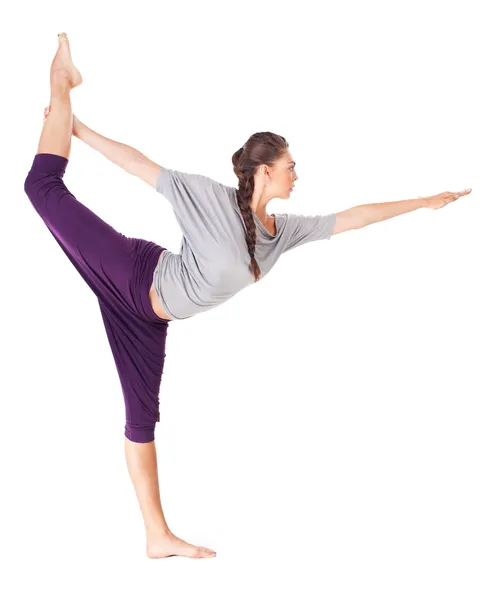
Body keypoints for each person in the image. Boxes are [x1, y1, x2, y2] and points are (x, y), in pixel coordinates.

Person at [25, 33, 472, 560]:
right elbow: (136, 163)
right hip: (132, 275)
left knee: (141, 420)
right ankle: (62, 80)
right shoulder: (208, 198)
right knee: (42, 189)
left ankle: (156, 536)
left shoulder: (282, 233)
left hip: (148, 321)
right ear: (265, 171)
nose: (297, 175)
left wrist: (422, 202)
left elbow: (354, 218)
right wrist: (76, 127)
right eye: (290, 167)